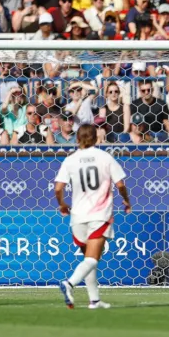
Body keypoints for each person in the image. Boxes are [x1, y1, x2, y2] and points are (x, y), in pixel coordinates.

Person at [54, 124, 132, 309]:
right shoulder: (105, 157)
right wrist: (126, 200)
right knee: (93, 259)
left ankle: (94, 300)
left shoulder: (71, 160)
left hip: (78, 217)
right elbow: (120, 184)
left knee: (88, 259)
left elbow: (58, 188)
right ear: (96, 138)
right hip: (99, 215)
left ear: (77, 139)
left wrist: (62, 204)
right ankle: (69, 283)